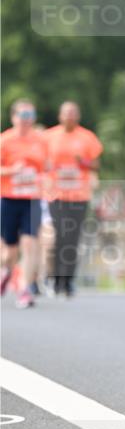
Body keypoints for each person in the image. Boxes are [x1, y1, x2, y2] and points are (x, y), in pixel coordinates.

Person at [45, 101, 103, 297]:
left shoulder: (87, 138)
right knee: (57, 235)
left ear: (78, 116)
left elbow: (96, 165)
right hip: (55, 194)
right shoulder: (48, 137)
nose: (69, 117)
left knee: (72, 238)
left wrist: (83, 162)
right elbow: (40, 162)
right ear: (60, 116)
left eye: (73, 113)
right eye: (66, 113)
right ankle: (54, 277)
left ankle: (67, 280)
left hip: (79, 195)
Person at [1, 100, 48, 309]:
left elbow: (48, 168)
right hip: (9, 198)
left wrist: (45, 179)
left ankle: (25, 290)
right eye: (23, 115)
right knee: (9, 252)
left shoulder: (41, 141)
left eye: (30, 115)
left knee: (30, 243)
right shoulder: (4, 140)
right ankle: (7, 272)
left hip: (32, 199)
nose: (27, 120)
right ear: (14, 118)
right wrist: (12, 171)